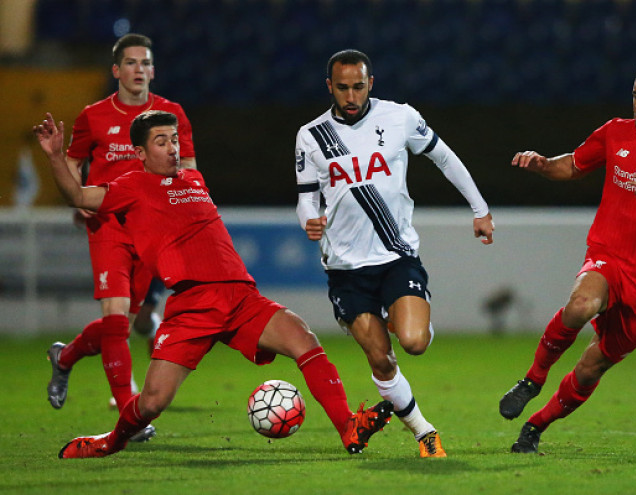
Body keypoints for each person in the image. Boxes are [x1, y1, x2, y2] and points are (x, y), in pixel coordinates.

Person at [34, 110, 393, 459]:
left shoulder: (194, 179)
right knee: (153, 401)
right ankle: (110, 442)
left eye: (174, 139)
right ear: (141, 153)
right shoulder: (131, 186)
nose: (172, 147)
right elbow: (78, 197)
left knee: (303, 338)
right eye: (161, 142)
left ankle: (348, 426)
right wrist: (54, 157)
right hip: (192, 304)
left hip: (240, 295)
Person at [499, 59, 636, 453]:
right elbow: (574, 165)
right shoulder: (616, 133)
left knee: (591, 367)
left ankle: (535, 427)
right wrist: (545, 165)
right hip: (608, 255)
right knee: (581, 304)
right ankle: (533, 378)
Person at [295, 49, 495, 458]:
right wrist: (308, 220)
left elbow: (444, 157)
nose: (351, 95)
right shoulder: (310, 135)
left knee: (415, 342)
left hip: (395, 256)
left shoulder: (400, 116)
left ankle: (406, 314)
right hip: (346, 269)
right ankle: (424, 432)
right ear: (329, 87)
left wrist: (480, 209)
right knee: (381, 360)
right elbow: (305, 197)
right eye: (342, 87)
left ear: (371, 82)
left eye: (358, 86)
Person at [47, 33, 196, 425]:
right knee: (115, 319)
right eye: (130, 63)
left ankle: (64, 357)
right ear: (116, 70)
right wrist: (75, 193)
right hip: (108, 224)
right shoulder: (93, 116)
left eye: (145, 63)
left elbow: (190, 172)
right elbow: (74, 169)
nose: (138, 70)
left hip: (151, 234)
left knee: (124, 325)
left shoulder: (171, 113)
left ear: (153, 70)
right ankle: (131, 417)